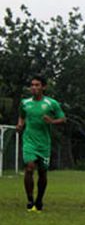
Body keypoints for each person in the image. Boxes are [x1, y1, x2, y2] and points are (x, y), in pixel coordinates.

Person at [16, 75, 66, 212]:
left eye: (37, 85)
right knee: (29, 167)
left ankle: (39, 200)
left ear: (43, 87)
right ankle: (30, 199)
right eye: (32, 85)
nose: (34, 87)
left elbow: (63, 119)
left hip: (44, 144)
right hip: (29, 141)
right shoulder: (25, 103)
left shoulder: (51, 103)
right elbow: (21, 116)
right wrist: (20, 125)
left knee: (43, 173)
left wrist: (52, 121)